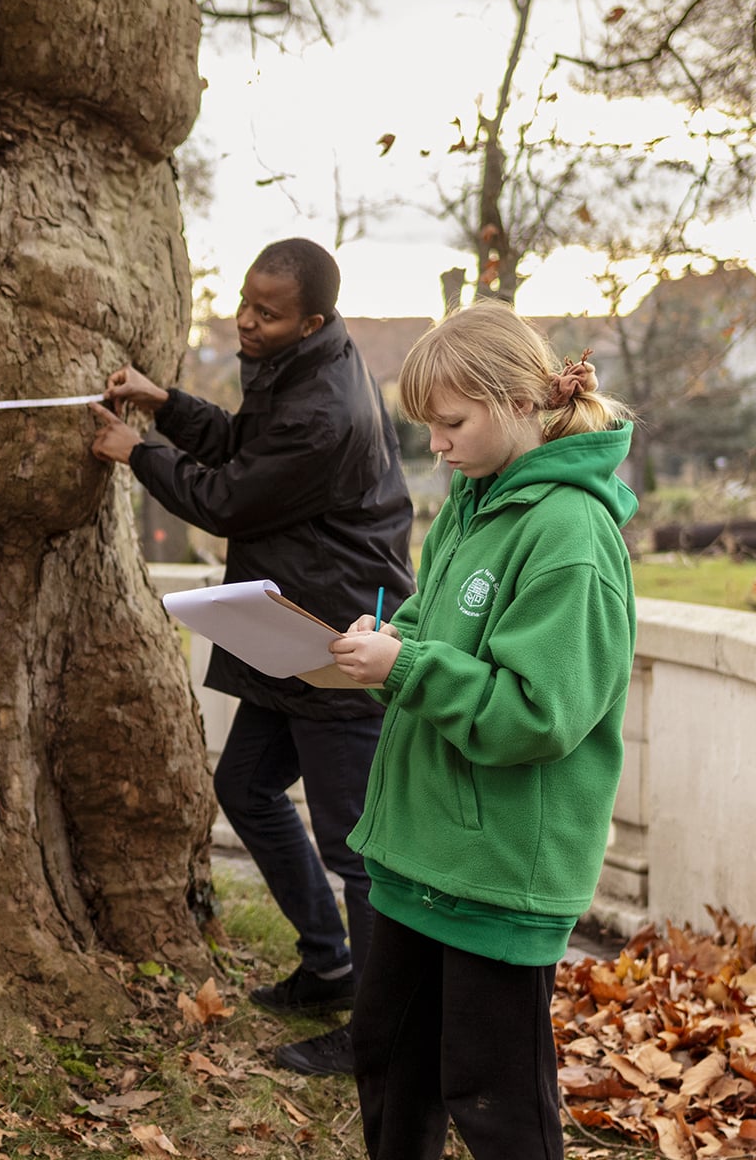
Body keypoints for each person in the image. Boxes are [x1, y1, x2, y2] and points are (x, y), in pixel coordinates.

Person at [91, 237, 413, 1077]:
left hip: (339, 641)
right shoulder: (303, 363)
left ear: (311, 318)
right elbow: (242, 442)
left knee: (357, 850)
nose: (245, 321)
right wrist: (164, 405)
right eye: (243, 300)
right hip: (288, 626)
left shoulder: (325, 409)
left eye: (266, 313)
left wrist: (139, 454)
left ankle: (378, 1037)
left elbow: (231, 496)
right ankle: (329, 963)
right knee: (245, 786)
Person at [328, 304, 636, 1160]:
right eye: (429, 425)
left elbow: (539, 714)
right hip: (419, 856)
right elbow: (431, 623)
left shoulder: (571, 534)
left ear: (514, 403)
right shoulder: (474, 500)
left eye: (452, 423)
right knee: (389, 1063)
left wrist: (407, 668)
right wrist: (389, 645)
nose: (438, 444)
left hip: (500, 872)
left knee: (494, 1098)